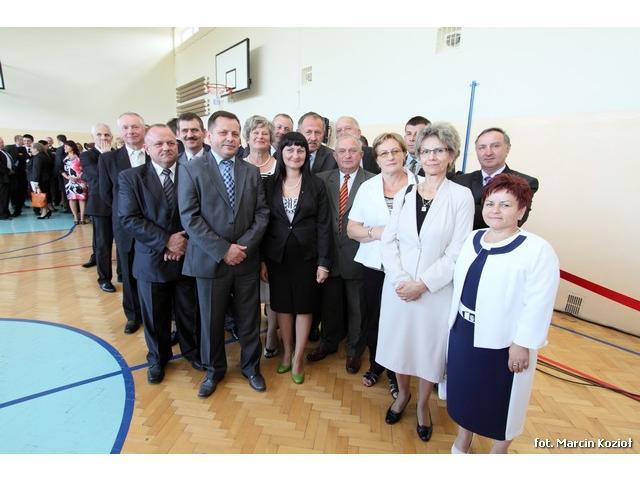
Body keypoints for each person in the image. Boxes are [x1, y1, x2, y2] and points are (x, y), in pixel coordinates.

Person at [447, 173, 559, 454]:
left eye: (506, 204)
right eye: (490, 203)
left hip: (505, 342)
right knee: (465, 391)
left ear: (521, 211)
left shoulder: (536, 250)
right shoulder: (473, 238)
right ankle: (463, 438)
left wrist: (522, 344)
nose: (495, 210)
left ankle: (499, 450)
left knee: (501, 401)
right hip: (464, 332)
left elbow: (538, 302)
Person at [376, 122, 474, 441]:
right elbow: (388, 240)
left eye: (439, 151)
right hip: (399, 287)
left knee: (429, 350)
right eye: (426, 151)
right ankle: (403, 394)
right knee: (400, 346)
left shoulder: (461, 196)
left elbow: (458, 250)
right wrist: (401, 278)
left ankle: (422, 405)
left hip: (435, 291)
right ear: (418, 154)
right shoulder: (405, 193)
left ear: (451, 155)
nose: (431, 157)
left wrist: (423, 284)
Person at [178, 110, 269, 398]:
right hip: (210, 260)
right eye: (223, 133)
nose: (230, 138)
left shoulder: (251, 171)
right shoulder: (191, 169)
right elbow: (190, 217)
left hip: (245, 259)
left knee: (249, 319)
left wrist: (243, 247)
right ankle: (213, 370)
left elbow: (262, 213)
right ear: (209, 135)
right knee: (211, 320)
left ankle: (251, 367)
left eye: (234, 133)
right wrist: (223, 249)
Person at [118, 124, 201, 384]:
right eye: (159, 144)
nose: (166, 148)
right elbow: (129, 218)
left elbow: (203, 213)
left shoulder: (192, 173)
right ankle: (158, 357)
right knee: (155, 316)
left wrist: (182, 242)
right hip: (152, 259)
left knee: (189, 311)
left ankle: (192, 351)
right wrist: (166, 242)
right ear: (146, 148)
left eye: (171, 143)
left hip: (188, 256)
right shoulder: (131, 178)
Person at [347, 132, 419, 399]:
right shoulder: (368, 188)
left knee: (401, 323)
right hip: (374, 266)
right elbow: (352, 229)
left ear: (404, 154)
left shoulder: (421, 186)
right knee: (373, 320)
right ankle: (376, 364)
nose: (390, 157)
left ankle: (396, 375)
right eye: (383, 153)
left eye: (395, 151)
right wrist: (377, 232)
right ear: (376, 159)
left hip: (409, 268)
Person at [261, 131, 331, 384]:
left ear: (306, 154)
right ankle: (287, 352)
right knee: (282, 307)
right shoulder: (269, 184)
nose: (295, 154)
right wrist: (262, 260)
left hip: (308, 257)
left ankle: (299, 356)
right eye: (290, 149)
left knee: (304, 306)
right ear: (280, 153)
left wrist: (324, 262)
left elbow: (324, 225)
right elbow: (263, 223)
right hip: (276, 257)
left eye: (300, 150)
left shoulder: (316, 185)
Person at [308, 134, 374, 373]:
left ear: (361, 154)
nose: (347, 155)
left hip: (358, 255)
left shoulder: (373, 181)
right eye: (342, 151)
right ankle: (328, 342)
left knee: (357, 307)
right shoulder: (320, 179)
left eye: (352, 151)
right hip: (328, 255)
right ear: (334, 155)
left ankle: (355, 350)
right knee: (330, 304)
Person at [99, 112, 149, 334]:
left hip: (155, 226)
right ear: (120, 132)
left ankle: (160, 315)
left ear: (143, 128)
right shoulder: (108, 159)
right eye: (126, 127)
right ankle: (133, 315)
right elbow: (106, 194)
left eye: (135, 127)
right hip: (126, 227)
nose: (131, 131)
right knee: (128, 274)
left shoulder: (155, 152)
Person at [243, 115, 279, 357]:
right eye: (255, 132)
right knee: (248, 296)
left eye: (265, 132)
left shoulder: (281, 165)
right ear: (247, 137)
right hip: (248, 239)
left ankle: (273, 335)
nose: (260, 136)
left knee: (274, 294)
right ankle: (250, 339)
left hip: (275, 239)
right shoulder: (239, 165)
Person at [453, 127, 539, 229]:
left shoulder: (525, 182)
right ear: (476, 151)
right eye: (482, 147)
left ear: (508, 148)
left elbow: (515, 220)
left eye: (495, 146)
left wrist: (465, 210)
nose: (488, 152)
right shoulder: (459, 181)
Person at [80, 123, 116, 292]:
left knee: (123, 242)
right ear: (93, 138)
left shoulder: (117, 154)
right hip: (100, 206)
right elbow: (97, 176)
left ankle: (123, 274)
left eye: (106, 135)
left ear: (112, 137)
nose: (103, 138)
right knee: (103, 244)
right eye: (99, 135)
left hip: (119, 205)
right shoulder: (87, 156)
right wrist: (107, 156)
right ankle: (104, 278)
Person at [62, 140, 88, 224]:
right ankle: (75, 218)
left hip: (80, 180)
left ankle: (82, 218)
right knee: (71, 199)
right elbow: (61, 170)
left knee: (82, 199)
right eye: (64, 146)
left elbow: (85, 168)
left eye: (67, 146)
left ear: (72, 147)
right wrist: (67, 177)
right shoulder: (64, 158)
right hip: (69, 181)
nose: (65, 148)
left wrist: (79, 176)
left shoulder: (80, 156)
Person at [28, 142, 54, 219]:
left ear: (36, 149)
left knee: (41, 196)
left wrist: (35, 183)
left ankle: (44, 212)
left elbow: (36, 170)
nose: (30, 149)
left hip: (39, 180)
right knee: (44, 195)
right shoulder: (44, 155)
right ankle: (46, 210)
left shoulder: (38, 157)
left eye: (31, 148)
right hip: (45, 179)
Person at [0, 137, 13, 219]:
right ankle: (2, 214)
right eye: (1, 142)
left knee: (6, 196)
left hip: (7, 177)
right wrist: (9, 171)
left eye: (2, 142)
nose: (2, 143)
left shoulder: (4, 151)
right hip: (2, 178)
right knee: (2, 197)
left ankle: (6, 212)